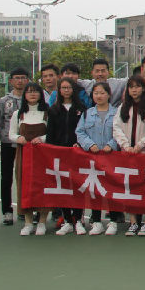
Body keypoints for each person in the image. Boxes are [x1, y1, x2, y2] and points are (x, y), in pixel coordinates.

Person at [75, 82, 118, 236]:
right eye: (96, 93)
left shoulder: (116, 113)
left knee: (112, 189)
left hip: (111, 158)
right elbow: (80, 132)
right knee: (95, 189)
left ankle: (113, 221)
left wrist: (111, 145)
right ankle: (97, 221)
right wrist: (89, 144)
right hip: (92, 158)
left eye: (102, 93)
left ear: (109, 94)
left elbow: (120, 132)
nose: (99, 96)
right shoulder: (87, 113)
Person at [46, 77, 87, 235]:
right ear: (59, 90)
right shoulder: (53, 110)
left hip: (76, 153)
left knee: (77, 186)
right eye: (63, 88)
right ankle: (68, 221)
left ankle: (78, 220)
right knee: (63, 187)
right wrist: (52, 150)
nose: (66, 90)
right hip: (59, 154)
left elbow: (83, 131)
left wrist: (80, 145)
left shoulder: (81, 109)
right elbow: (50, 133)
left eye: (69, 87)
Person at [112, 76, 145, 236]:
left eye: (137, 86)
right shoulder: (122, 107)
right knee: (130, 187)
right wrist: (126, 145)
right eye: (131, 87)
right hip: (127, 154)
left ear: (143, 88)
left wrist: (140, 145)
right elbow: (116, 128)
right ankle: (133, 221)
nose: (134, 90)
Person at [10, 82, 50, 236]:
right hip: (24, 155)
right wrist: (18, 138)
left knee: (43, 186)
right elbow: (11, 134)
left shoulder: (47, 113)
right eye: (29, 91)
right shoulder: (18, 114)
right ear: (24, 95)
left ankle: (42, 222)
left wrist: (42, 138)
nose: (32, 94)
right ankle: (28, 222)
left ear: (40, 94)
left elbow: (52, 133)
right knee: (24, 186)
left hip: (43, 156)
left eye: (35, 91)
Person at [0, 67, 29, 225]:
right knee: (6, 177)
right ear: (11, 81)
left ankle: (24, 209)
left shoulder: (32, 99)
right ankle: (7, 211)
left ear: (27, 80)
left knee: (25, 177)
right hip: (8, 144)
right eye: (17, 78)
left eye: (23, 78)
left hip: (27, 144)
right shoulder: (3, 101)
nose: (20, 81)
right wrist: (7, 138)